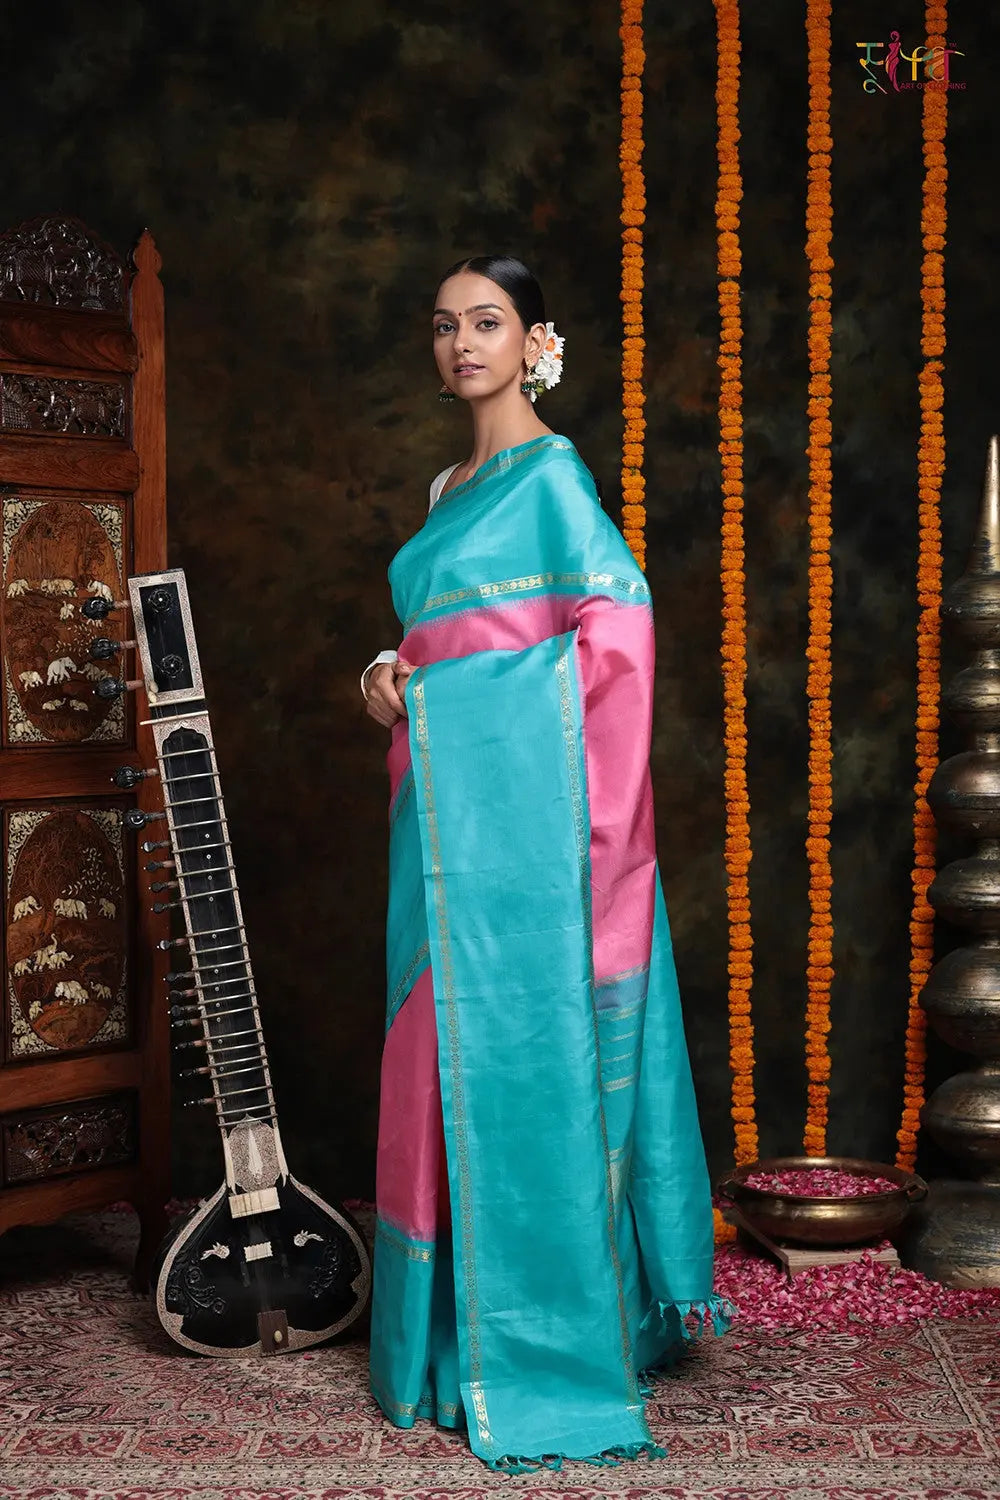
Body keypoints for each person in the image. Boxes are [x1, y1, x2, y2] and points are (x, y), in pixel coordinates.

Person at [362, 254, 729, 1474]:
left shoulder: (555, 479)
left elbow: (615, 643)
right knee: (431, 1051)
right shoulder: (446, 487)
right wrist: (385, 678)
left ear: (534, 342)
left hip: (527, 848)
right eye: (444, 325)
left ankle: (532, 1338)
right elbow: (435, 638)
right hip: (440, 827)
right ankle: (436, 1334)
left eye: (487, 322)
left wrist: (448, 701)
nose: (462, 343)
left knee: (523, 1053)